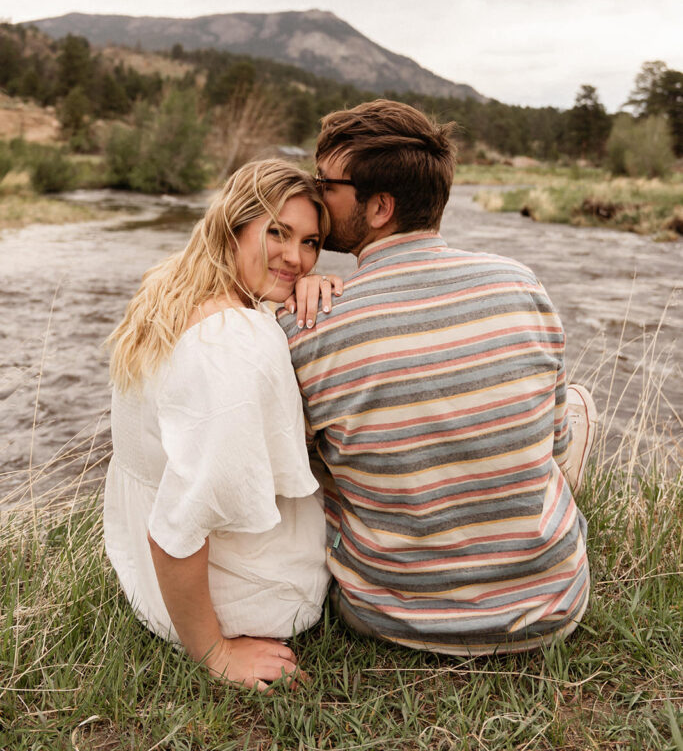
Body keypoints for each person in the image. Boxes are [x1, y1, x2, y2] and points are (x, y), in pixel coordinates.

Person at [278, 100, 598, 656]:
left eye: (325, 183)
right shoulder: (520, 284)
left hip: (387, 617)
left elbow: (296, 472)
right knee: (575, 407)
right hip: (551, 606)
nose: (313, 193)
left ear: (379, 207)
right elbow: (553, 445)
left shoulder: (306, 327)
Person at [104, 159, 337, 690]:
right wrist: (214, 650)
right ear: (235, 224)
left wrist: (285, 285)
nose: (297, 257)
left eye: (310, 243)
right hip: (251, 595)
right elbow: (178, 526)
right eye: (277, 233)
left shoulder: (170, 293)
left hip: (145, 579)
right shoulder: (231, 343)